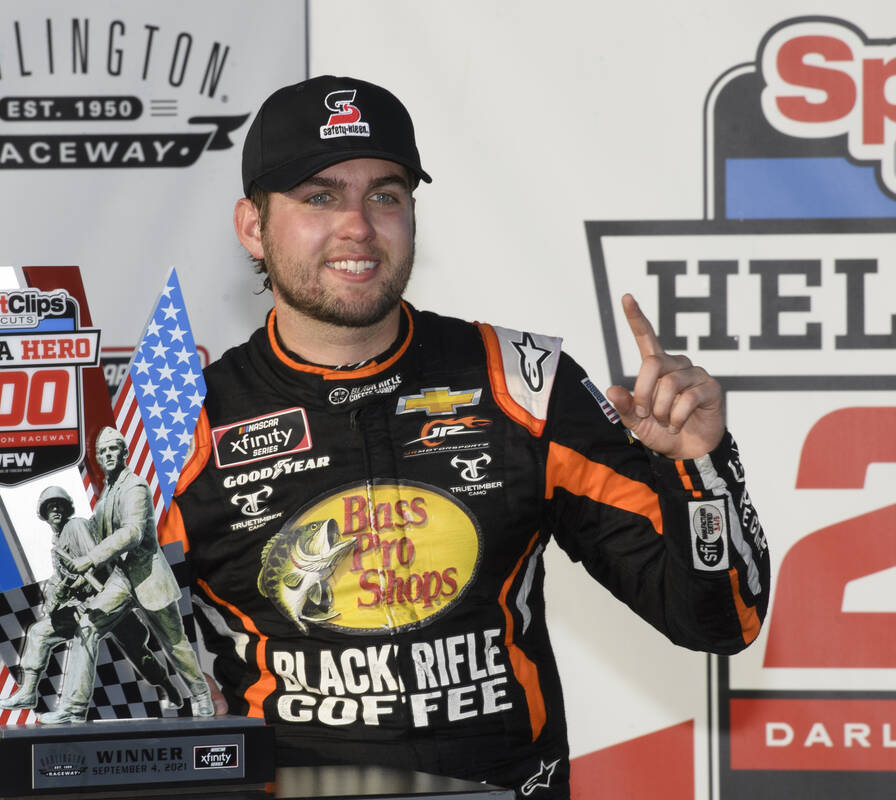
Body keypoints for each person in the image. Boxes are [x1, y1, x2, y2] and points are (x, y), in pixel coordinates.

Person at [158, 75, 769, 798]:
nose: (358, 225)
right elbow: (102, 656)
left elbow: (720, 622)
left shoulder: (522, 383)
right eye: (320, 196)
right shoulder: (181, 420)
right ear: (253, 226)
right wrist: (171, 704)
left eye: (385, 195)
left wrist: (700, 469)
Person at [48, 427, 216, 720]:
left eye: (113, 449)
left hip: (149, 576)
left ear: (124, 453)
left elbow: (132, 532)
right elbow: (96, 533)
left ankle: (201, 696)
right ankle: (73, 710)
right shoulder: (106, 495)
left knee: (175, 644)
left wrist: (89, 559)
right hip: (121, 579)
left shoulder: (135, 487)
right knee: (87, 627)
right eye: (102, 451)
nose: (108, 455)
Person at [0, 485, 182, 722]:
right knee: (39, 632)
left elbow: (97, 564)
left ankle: (167, 686)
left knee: (138, 654)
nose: (55, 510)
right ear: (43, 514)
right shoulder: (57, 546)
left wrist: (73, 589)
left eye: (59, 505)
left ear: (66, 509)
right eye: (50, 507)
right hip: (85, 604)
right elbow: (59, 583)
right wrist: (57, 595)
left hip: (107, 597)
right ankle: (28, 692)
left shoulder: (75, 526)